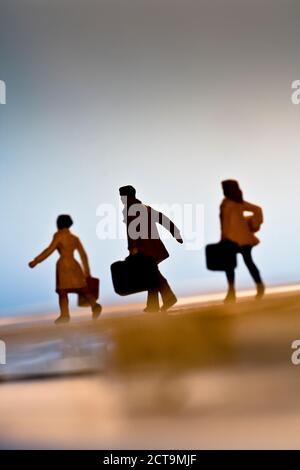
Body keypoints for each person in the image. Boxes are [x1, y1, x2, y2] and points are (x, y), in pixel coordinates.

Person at [119, 185, 183, 312]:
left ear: (126, 196)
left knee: (152, 274)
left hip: (143, 249)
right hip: (154, 247)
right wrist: (175, 233)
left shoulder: (130, 209)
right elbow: (162, 219)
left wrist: (133, 248)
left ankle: (168, 297)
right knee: (150, 275)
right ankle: (153, 305)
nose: (121, 199)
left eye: (122, 197)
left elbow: (132, 231)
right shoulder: (145, 208)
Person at [28, 215, 102, 324]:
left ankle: (65, 314)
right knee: (81, 288)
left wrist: (36, 261)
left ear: (59, 224)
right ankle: (94, 305)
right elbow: (83, 255)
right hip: (74, 265)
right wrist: (87, 271)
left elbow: (49, 250)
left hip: (63, 265)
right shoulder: (75, 238)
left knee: (63, 291)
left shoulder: (58, 235)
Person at [220, 180, 265, 303]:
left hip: (243, 239)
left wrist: (254, 225)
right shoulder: (224, 203)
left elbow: (257, 210)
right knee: (229, 266)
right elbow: (224, 223)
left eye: (224, 188)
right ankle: (231, 292)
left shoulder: (238, 203)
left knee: (248, 262)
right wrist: (223, 237)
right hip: (229, 239)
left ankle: (259, 286)